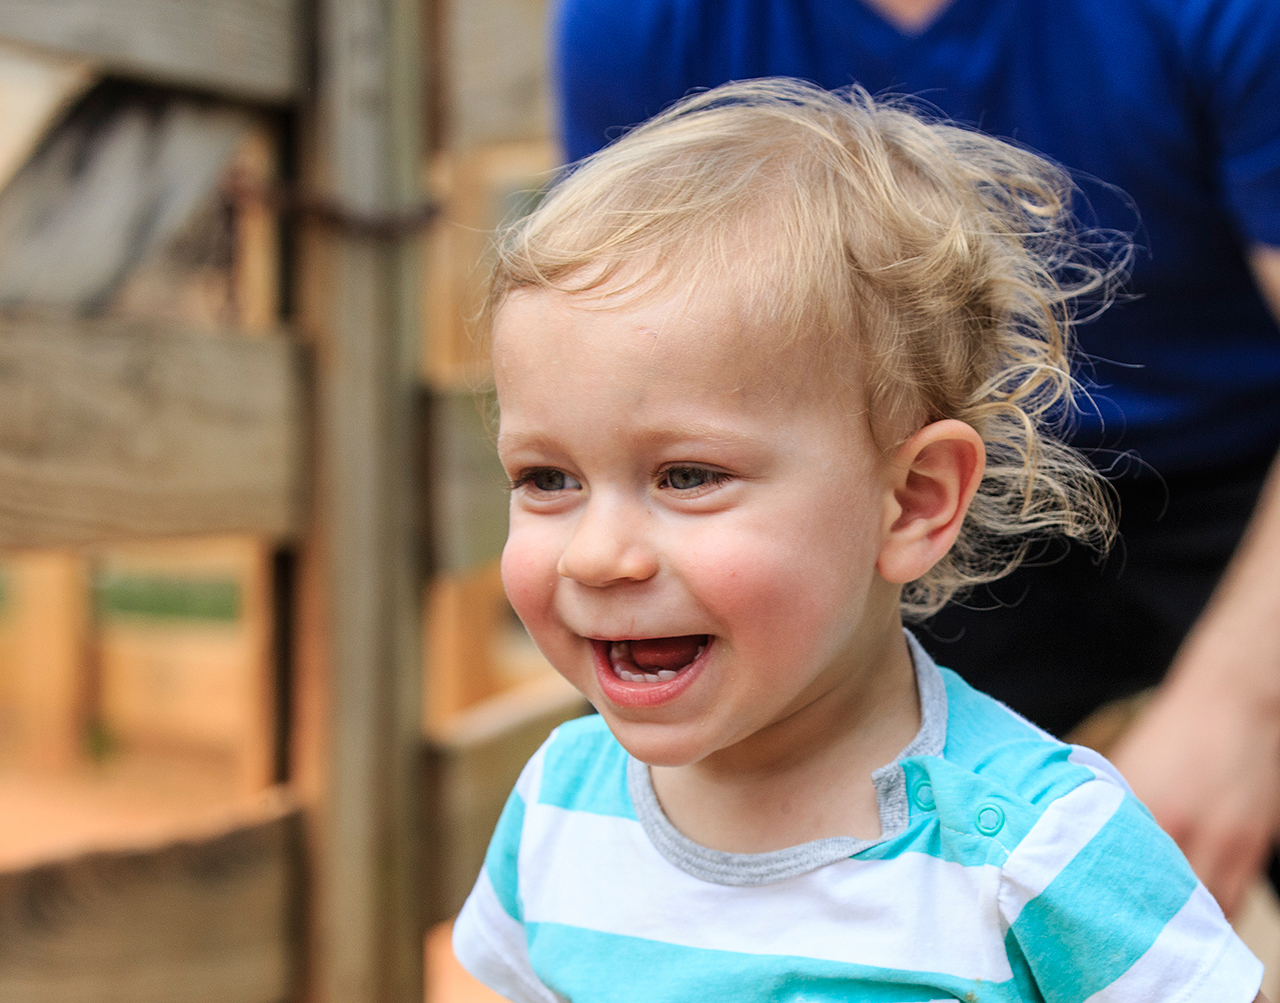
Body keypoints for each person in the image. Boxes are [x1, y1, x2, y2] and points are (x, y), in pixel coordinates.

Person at [453, 80, 1264, 1001]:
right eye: (547, 479)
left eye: (689, 476)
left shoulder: (1038, 846)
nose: (596, 555)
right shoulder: (561, 804)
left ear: (912, 500)